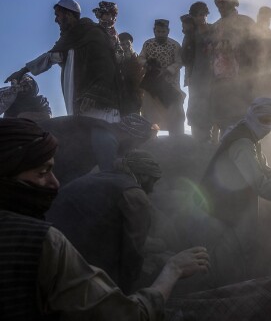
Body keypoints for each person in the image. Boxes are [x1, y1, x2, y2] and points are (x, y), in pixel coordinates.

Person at [0, 118, 209, 320]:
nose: (55, 183)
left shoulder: (98, 177)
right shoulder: (45, 243)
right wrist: (173, 269)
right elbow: (132, 261)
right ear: (144, 177)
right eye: (42, 172)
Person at [201, 98, 271, 278]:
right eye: (264, 120)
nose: (268, 126)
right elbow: (261, 185)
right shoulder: (242, 143)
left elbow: (267, 172)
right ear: (253, 117)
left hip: (231, 206)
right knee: (225, 266)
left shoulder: (250, 138)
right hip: (220, 210)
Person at [5, 0, 122, 171]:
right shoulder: (71, 39)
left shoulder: (93, 33)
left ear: (68, 15)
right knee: (83, 139)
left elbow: (106, 65)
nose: (55, 20)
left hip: (98, 101)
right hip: (80, 101)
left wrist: (95, 93)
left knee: (101, 133)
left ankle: (112, 175)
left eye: (57, 15)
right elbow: (51, 57)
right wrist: (23, 71)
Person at [46, 150, 162, 294]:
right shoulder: (134, 193)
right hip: (77, 265)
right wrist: (126, 293)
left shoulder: (96, 178)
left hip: (49, 249)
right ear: (143, 176)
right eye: (153, 180)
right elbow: (133, 250)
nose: (153, 189)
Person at [209, 0, 257, 138]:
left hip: (243, 71)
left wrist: (237, 46)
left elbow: (256, 43)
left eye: (223, 4)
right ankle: (225, 138)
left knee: (242, 107)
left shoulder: (246, 21)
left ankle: (245, 139)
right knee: (223, 107)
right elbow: (209, 46)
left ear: (232, 4)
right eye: (218, 5)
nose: (220, 7)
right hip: (220, 73)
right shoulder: (216, 25)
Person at [138, 19, 185, 135]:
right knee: (149, 111)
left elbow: (180, 62)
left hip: (170, 84)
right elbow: (140, 58)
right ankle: (150, 137)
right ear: (154, 31)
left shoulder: (174, 45)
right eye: (158, 31)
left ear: (168, 31)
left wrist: (166, 71)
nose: (160, 34)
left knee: (175, 109)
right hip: (151, 84)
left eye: (163, 31)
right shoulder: (148, 44)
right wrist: (147, 64)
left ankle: (176, 137)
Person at [183, 2, 214, 141]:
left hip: (213, 73)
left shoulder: (214, 29)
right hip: (196, 74)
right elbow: (185, 58)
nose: (200, 18)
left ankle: (212, 139)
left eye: (202, 14)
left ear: (206, 14)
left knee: (212, 104)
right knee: (195, 105)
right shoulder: (190, 34)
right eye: (197, 15)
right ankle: (197, 139)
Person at [118, 32, 144, 115]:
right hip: (120, 95)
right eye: (122, 44)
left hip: (134, 95)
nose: (125, 46)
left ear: (131, 44)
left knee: (134, 119)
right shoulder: (118, 59)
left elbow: (138, 76)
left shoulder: (136, 57)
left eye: (127, 43)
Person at [255, 6, 271, 98]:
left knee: (266, 105)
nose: (265, 19)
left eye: (267, 17)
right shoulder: (247, 31)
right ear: (258, 16)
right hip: (247, 73)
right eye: (263, 15)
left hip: (266, 74)